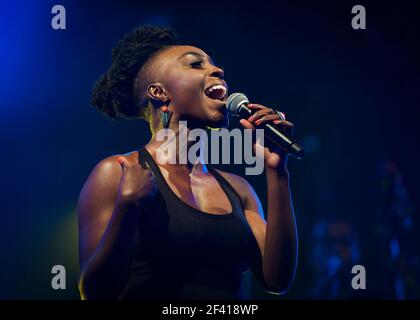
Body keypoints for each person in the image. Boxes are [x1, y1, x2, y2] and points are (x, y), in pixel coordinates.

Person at [77, 25, 298, 299]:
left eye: (214, 65)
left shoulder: (239, 189)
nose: (218, 71)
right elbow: (95, 291)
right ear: (159, 92)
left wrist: (277, 172)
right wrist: (127, 207)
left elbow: (278, 280)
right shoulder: (117, 172)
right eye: (196, 64)